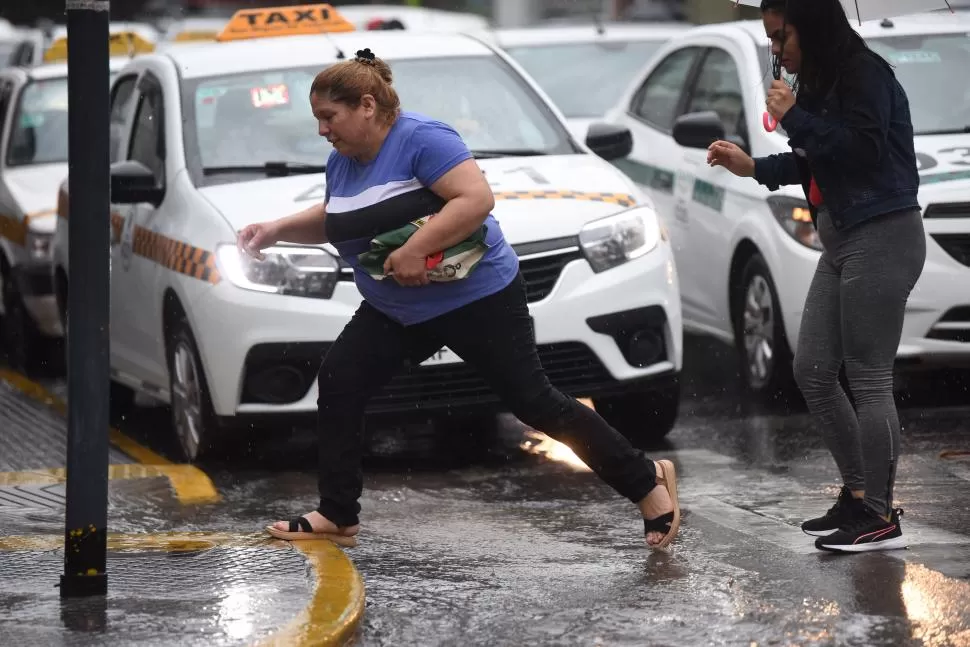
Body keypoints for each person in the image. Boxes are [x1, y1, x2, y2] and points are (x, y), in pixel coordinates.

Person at [237, 48, 682, 551]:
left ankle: (647, 482)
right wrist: (277, 229)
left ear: (366, 105)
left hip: (477, 298)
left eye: (328, 117)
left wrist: (415, 249)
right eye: (318, 119)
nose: (322, 130)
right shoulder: (343, 162)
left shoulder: (422, 138)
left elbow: (476, 199)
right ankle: (338, 514)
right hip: (398, 308)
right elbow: (341, 215)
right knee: (341, 381)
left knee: (534, 402)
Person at [707, 0, 925, 552]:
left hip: (883, 233)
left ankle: (880, 516)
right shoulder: (820, 82)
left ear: (813, 26)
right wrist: (754, 166)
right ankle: (856, 496)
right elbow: (814, 162)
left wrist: (795, 116)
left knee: (869, 376)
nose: (776, 51)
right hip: (842, 237)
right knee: (813, 369)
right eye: (770, 41)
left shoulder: (865, 74)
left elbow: (865, 151)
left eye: (781, 38)